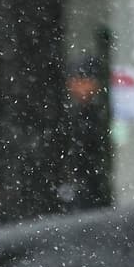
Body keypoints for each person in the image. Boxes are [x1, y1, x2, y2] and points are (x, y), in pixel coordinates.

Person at [55, 56, 112, 212]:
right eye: (75, 81)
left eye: (82, 80)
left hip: (91, 183)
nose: (77, 86)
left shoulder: (96, 113)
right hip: (79, 183)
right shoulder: (68, 113)